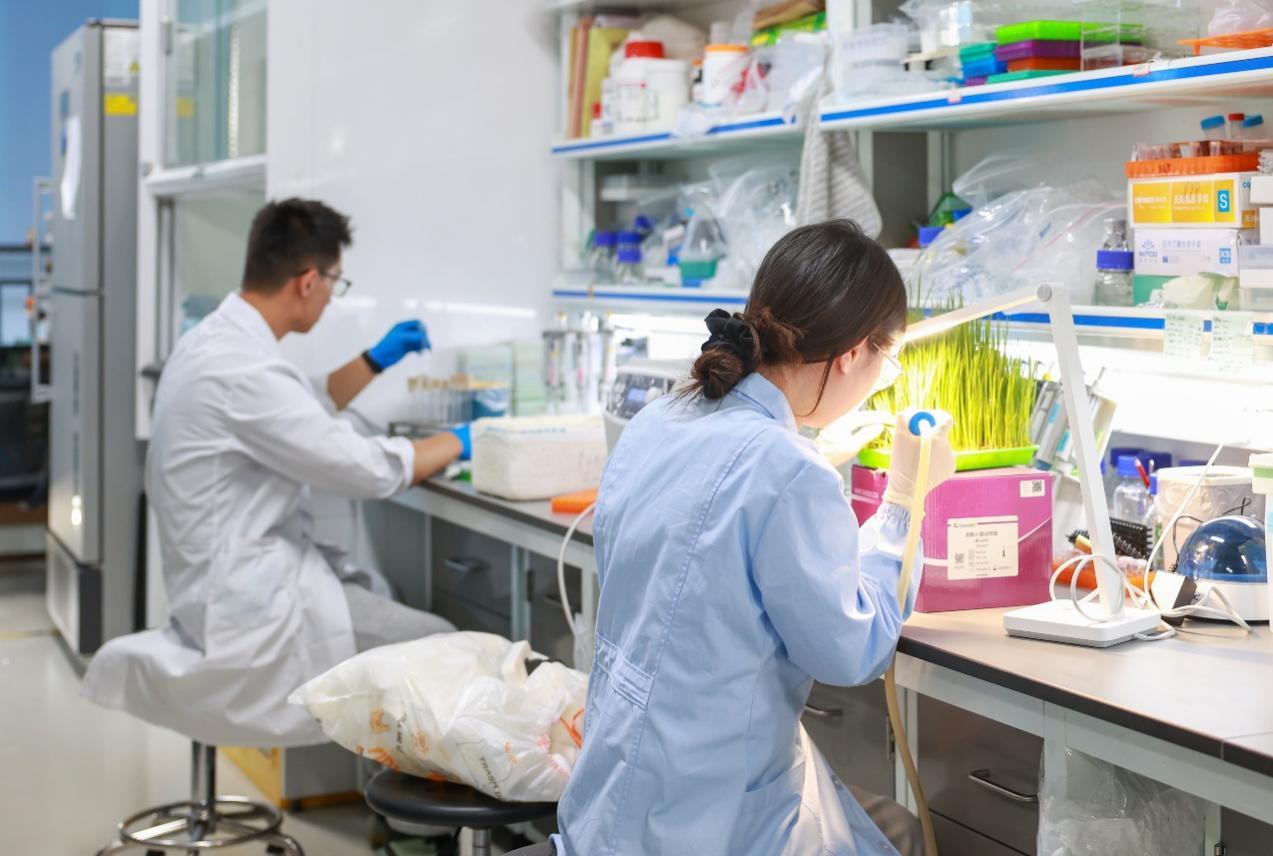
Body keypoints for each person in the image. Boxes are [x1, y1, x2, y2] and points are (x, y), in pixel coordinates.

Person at [553, 220, 956, 855]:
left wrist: (807, 448)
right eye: (887, 360)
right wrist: (905, 501)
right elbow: (851, 651)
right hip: (701, 822)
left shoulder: (660, 417)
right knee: (895, 835)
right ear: (852, 354)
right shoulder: (786, 471)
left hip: (612, 802)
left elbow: (711, 526)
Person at [84, 198, 467, 748]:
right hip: (255, 608)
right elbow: (364, 470)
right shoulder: (244, 368)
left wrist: (376, 359)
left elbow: (300, 406)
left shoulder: (214, 342)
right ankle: (405, 805)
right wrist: (465, 439)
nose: (333, 295)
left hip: (217, 587)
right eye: (336, 282)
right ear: (309, 281)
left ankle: (390, 791)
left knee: (388, 597)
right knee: (444, 649)